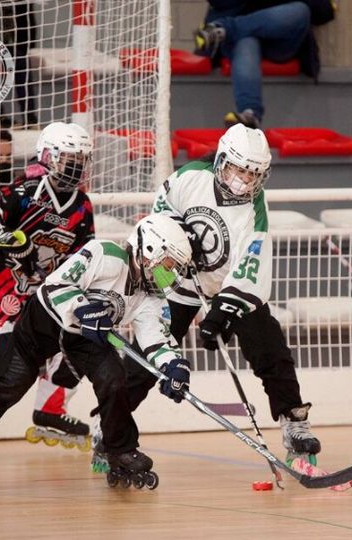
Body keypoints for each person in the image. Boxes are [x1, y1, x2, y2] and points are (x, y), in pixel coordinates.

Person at [0, 214, 193, 487]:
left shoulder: (150, 297)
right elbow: (55, 285)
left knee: (114, 379)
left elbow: (155, 337)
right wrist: (82, 309)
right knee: (11, 383)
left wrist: (173, 366)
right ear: (150, 248)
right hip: (45, 320)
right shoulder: (104, 254)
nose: (170, 274)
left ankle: (120, 450)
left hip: (85, 336)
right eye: (169, 264)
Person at [130, 123, 322, 465]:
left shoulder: (253, 208)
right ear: (221, 160)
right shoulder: (190, 178)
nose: (243, 181)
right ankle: (110, 426)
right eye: (238, 170)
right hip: (178, 285)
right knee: (144, 358)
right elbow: (157, 226)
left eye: (253, 175)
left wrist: (222, 312)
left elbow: (250, 264)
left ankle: (295, 423)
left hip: (225, 288)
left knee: (271, 350)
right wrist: (172, 265)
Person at [0, 122, 96, 451]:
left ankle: (50, 408)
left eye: (82, 157)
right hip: (9, 289)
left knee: (82, 337)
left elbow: (86, 254)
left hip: (49, 295)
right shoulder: (21, 191)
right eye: (69, 156)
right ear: (47, 155)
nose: (76, 164)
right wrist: (8, 241)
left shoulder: (83, 205)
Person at [193, 0, 333, 128]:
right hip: (242, 39)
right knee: (246, 42)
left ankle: (225, 29)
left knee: (300, 10)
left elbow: (324, 11)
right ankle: (249, 115)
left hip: (278, 40)